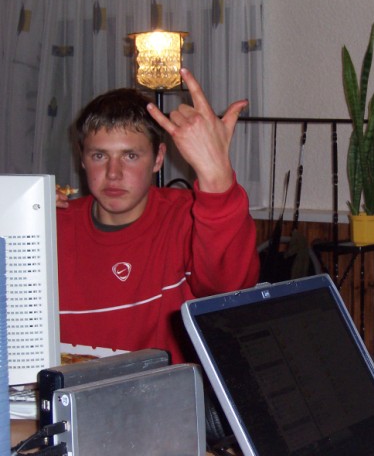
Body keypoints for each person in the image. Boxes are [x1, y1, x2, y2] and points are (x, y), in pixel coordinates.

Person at [56, 68, 260, 364]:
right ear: (82, 158)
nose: (113, 173)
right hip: (70, 390)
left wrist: (217, 179)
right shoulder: (52, 227)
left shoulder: (187, 216)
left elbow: (229, 291)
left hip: (168, 391)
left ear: (158, 158)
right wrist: (17, 224)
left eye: (130, 156)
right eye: (99, 155)